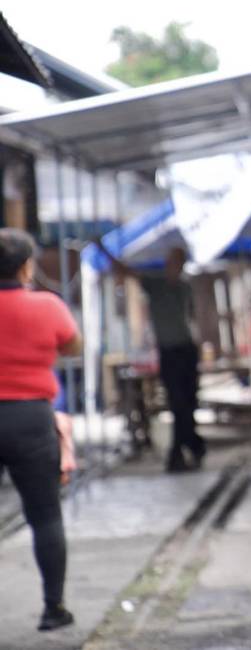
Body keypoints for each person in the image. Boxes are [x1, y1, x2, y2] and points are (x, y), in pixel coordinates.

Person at [0, 228, 81, 632]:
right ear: (26, 266)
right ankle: (54, 608)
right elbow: (72, 345)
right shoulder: (47, 306)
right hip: (31, 418)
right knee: (45, 515)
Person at [99, 245, 206, 472]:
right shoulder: (155, 284)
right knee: (178, 405)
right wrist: (103, 249)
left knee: (188, 404)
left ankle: (189, 447)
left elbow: (191, 319)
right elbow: (125, 271)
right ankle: (187, 448)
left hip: (186, 351)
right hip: (170, 353)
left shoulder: (184, 287)